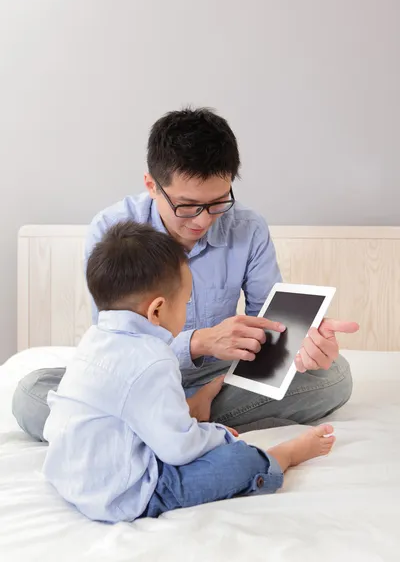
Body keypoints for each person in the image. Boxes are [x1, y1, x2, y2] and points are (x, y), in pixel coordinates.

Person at [12, 107, 359, 441]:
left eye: (218, 203)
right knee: (30, 393)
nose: (203, 220)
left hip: (217, 377)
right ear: (152, 185)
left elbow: (268, 329)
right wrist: (199, 342)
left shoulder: (248, 229)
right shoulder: (112, 229)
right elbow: (112, 342)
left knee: (335, 375)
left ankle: (157, 423)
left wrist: (301, 346)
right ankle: (182, 419)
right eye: (187, 206)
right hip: (133, 376)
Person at [42, 221, 335, 522]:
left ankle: (190, 411)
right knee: (236, 461)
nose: (186, 309)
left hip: (70, 479)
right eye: (184, 302)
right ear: (157, 311)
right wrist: (217, 436)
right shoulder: (153, 359)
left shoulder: (93, 340)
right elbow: (179, 450)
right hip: (120, 495)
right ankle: (281, 457)